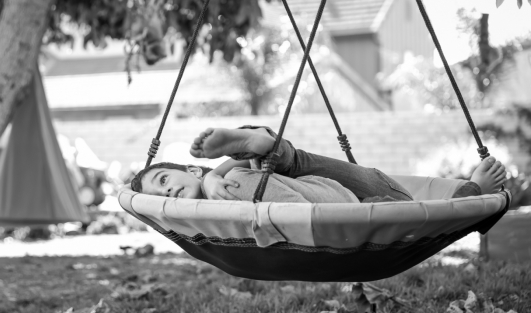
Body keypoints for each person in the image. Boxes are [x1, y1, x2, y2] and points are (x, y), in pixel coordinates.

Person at [130, 126, 507, 203]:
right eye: (160, 194)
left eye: (163, 178)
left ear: (191, 170)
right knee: (261, 170)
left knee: (273, 163)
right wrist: (215, 177)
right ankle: (263, 142)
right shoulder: (205, 212)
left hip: (370, 189)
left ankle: (472, 191)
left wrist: (215, 173)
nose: (166, 191)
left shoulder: (221, 182)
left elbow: (229, 173)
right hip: (359, 207)